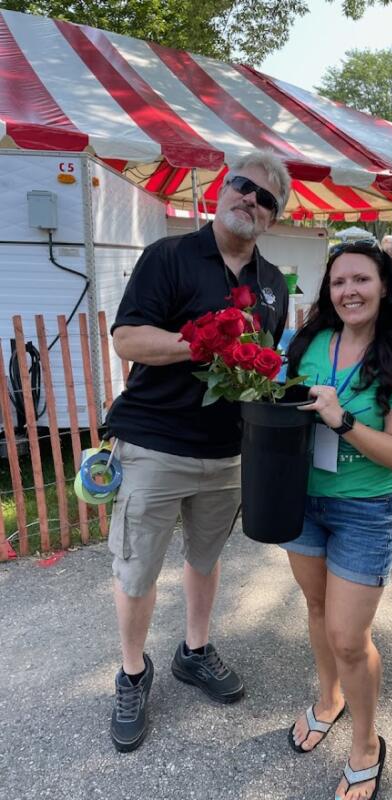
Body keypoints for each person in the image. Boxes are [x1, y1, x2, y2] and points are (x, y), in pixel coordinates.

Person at [104, 150, 291, 752]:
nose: (251, 202)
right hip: (155, 444)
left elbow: (264, 371)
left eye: (267, 200)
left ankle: (194, 650)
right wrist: (202, 343)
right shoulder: (169, 256)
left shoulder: (271, 286)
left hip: (226, 452)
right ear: (222, 188)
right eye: (244, 187)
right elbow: (127, 337)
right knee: (137, 568)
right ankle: (133, 672)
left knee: (205, 560)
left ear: (273, 217)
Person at [283, 241, 392, 800]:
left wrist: (341, 420)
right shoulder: (310, 343)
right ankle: (330, 700)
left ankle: (366, 743)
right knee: (317, 609)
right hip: (305, 502)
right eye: (339, 282)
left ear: (384, 286)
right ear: (329, 292)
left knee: (349, 636)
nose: (349, 291)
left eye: (361, 280)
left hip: (367, 510)